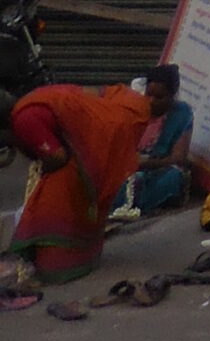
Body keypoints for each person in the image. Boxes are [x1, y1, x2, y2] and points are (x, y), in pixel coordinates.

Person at [3, 82, 151, 283]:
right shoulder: (30, 101)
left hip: (91, 144)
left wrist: (43, 172)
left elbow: (58, 157)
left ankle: (59, 266)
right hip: (97, 134)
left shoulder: (23, 120)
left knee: (50, 204)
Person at [126, 65, 194, 213]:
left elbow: (178, 158)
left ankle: (137, 205)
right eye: (148, 95)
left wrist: (146, 163)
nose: (151, 101)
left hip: (158, 170)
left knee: (174, 176)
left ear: (172, 95)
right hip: (129, 169)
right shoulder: (134, 109)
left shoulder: (182, 114)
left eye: (159, 97)